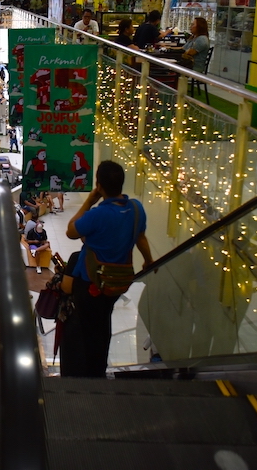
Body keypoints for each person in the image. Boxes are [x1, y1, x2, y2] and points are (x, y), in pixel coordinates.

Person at [62, 160, 153, 377]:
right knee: (103, 325)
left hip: (90, 282)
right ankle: (99, 370)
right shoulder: (136, 209)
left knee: (86, 329)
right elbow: (141, 238)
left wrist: (89, 201)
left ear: (99, 185)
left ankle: (83, 374)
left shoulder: (97, 215)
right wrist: (148, 261)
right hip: (117, 283)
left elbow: (71, 231)